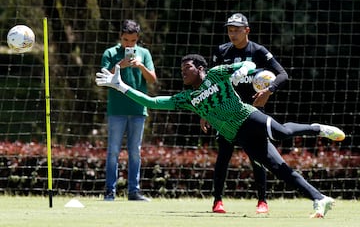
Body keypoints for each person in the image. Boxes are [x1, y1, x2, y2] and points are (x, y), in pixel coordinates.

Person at [96, 54, 345, 218]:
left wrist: (240, 72)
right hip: (238, 136)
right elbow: (150, 101)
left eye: (188, 68)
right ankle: (320, 198)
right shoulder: (187, 98)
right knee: (279, 169)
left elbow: (248, 64)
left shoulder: (216, 73)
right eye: (182, 69)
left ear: (200, 68)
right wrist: (121, 86)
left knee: (280, 132)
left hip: (249, 117)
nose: (183, 72)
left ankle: (316, 128)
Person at [201, 13, 289, 214]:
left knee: (257, 157)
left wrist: (269, 90)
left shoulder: (258, 51)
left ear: (246, 30)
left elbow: (283, 74)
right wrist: (205, 111)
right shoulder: (222, 51)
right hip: (226, 113)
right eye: (230, 30)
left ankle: (262, 201)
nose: (232, 33)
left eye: (237, 30)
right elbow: (211, 83)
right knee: (223, 156)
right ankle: (217, 201)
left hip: (253, 112)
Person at [101, 19, 157, 201]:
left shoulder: (144, 53)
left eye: (132, 41)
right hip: (116, 110)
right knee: (113, 151)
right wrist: (119, 65)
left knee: (135, 151)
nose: (129, 44)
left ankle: (134, 191)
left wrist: (140, 66)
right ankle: (110, 192)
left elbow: (152, 80)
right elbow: (103, 78)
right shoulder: (110, 53)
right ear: (121, 37)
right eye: (126, 40)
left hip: (138, 110)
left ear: (137, 38)